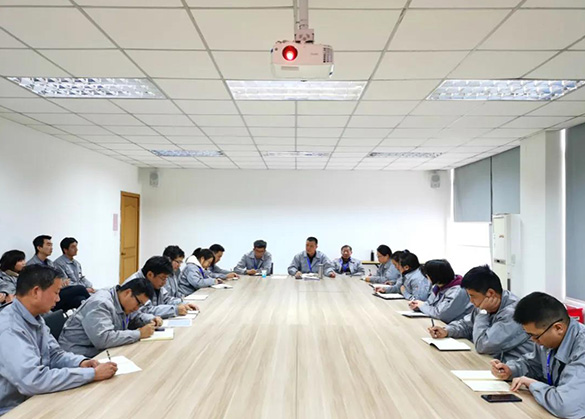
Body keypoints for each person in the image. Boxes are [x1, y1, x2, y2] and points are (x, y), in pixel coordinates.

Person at [0, 265, 117, 415]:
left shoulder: (35, 318)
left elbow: (55, 355)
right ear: (36, 292)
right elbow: (33, 380)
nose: (58, 299)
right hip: (12, 409)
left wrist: (81, 363)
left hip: (35, 397)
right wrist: (91, 375)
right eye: (56, 292)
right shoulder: (9, 328)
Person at [490, 292, 585, 419]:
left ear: (558, 328)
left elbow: (566, 405)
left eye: (535, 336)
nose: (533, 340)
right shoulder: (547, 338)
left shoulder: (581, 349)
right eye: (529, 335)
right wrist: (511, 370)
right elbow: (534, 364)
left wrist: (532, 384)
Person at [427, 265, 534, 362]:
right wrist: (447, 330)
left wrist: (483, 313)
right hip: (491, 363)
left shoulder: (513, 313)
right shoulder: (486, 303)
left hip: (514, 370)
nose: (471, 301)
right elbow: (467, 325)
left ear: (490, 293)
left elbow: (483, 345)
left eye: (472, 296)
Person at [59, 277, 157, 358]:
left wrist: (150, 319)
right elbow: (103, 339)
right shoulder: (100, 303)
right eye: (138, 303)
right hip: (77, 355)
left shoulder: (121, 300)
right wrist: (139, 333)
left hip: (98, 351)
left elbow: (134, 317)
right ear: (127, 292)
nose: (137, 308)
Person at [123, 256, 198, 325]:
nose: (165, 282)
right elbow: (146, 310)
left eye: (166, 278)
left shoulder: (154, 282)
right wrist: (174, 310)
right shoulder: (136, 284)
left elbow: (166, 299)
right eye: (163, 278)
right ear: (150, 274)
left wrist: (183, 304)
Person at [27, 235, 89, 312]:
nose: (51, 248)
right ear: (39, 247)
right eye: (48, 245)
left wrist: (61, 282)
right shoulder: (31, 265)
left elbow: (60, 278)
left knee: (80, 299)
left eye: (51, 245)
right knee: (80, 288)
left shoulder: (50, 263)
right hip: (45, 297)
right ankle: (95, 307)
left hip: (56, 293)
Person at [408, 259, 473, 323]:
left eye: (427, 275)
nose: (426, 278)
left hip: (454, 326)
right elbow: (430, 304)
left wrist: (421, 306)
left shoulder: (457, 291)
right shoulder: (438, 286)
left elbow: (441, 315)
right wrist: (418, 306)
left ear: (434, 276)